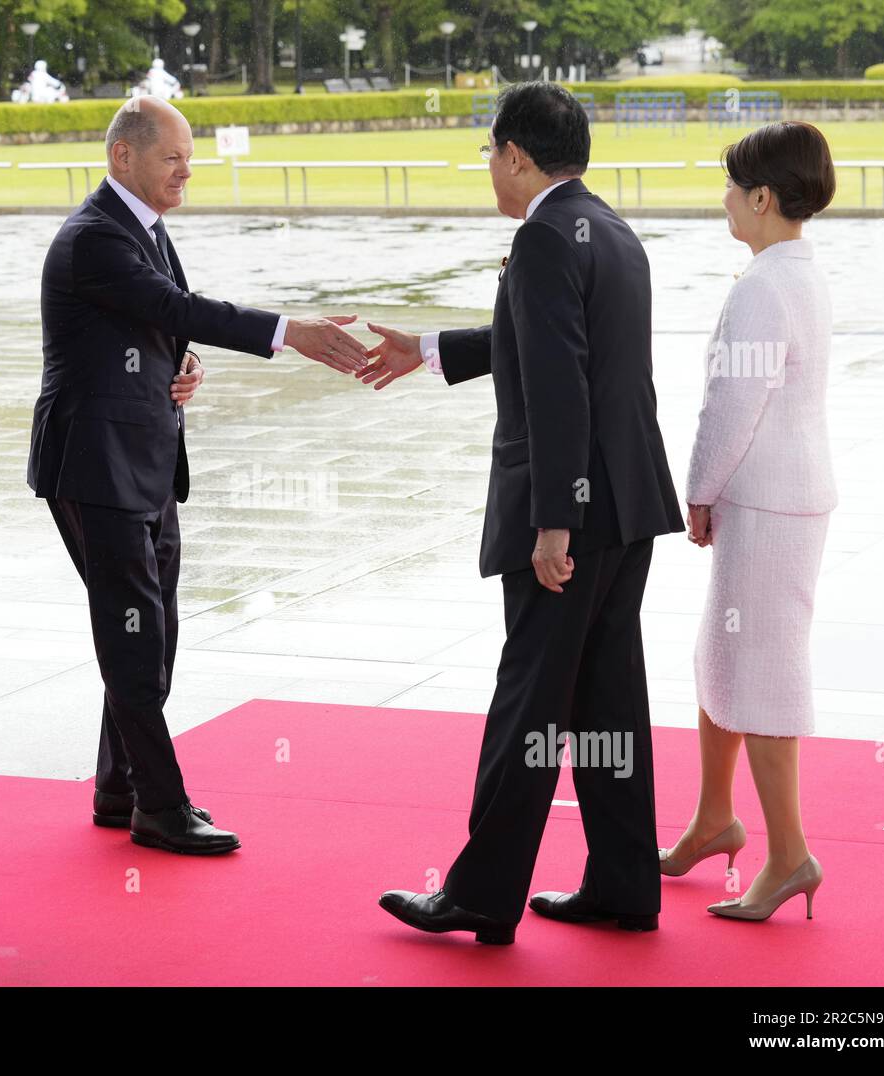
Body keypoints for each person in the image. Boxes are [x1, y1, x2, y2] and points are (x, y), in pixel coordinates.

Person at [360, 82, 685, 944]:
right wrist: (430, 350)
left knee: (528, 705)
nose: (489, 170)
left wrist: (554, 520)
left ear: (514, 153)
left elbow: (556, 385)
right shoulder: (608, 228)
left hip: (575, 515)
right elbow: (552, 345)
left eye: (488, 153)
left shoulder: (541, 237)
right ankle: (623, 884)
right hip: (629, 504)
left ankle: (479, 893)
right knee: (608, 700)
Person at [28, 95, 368, 854]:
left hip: (144, 460)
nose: (188, 169)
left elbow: (162, 321)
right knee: (135, 633)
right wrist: (290, 332)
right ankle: (159, 803)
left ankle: (119, 786)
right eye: (172, 156)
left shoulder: (146, 229)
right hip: (95, 462)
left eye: (190, 156)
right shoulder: (93, 238)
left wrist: (179, 362)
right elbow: (175, 303)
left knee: (155, 629)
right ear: (124, 157)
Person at [666, 121, 837, 922]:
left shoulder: (764, 285)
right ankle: (713, 819)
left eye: (734, 187)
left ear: (763, 198)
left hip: (764, 500)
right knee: (721, 658)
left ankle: (790, 855)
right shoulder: (795, 270)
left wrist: (697, 490)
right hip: (780, 494)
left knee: (760, 678)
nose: (725, 199)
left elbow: (732, 404)